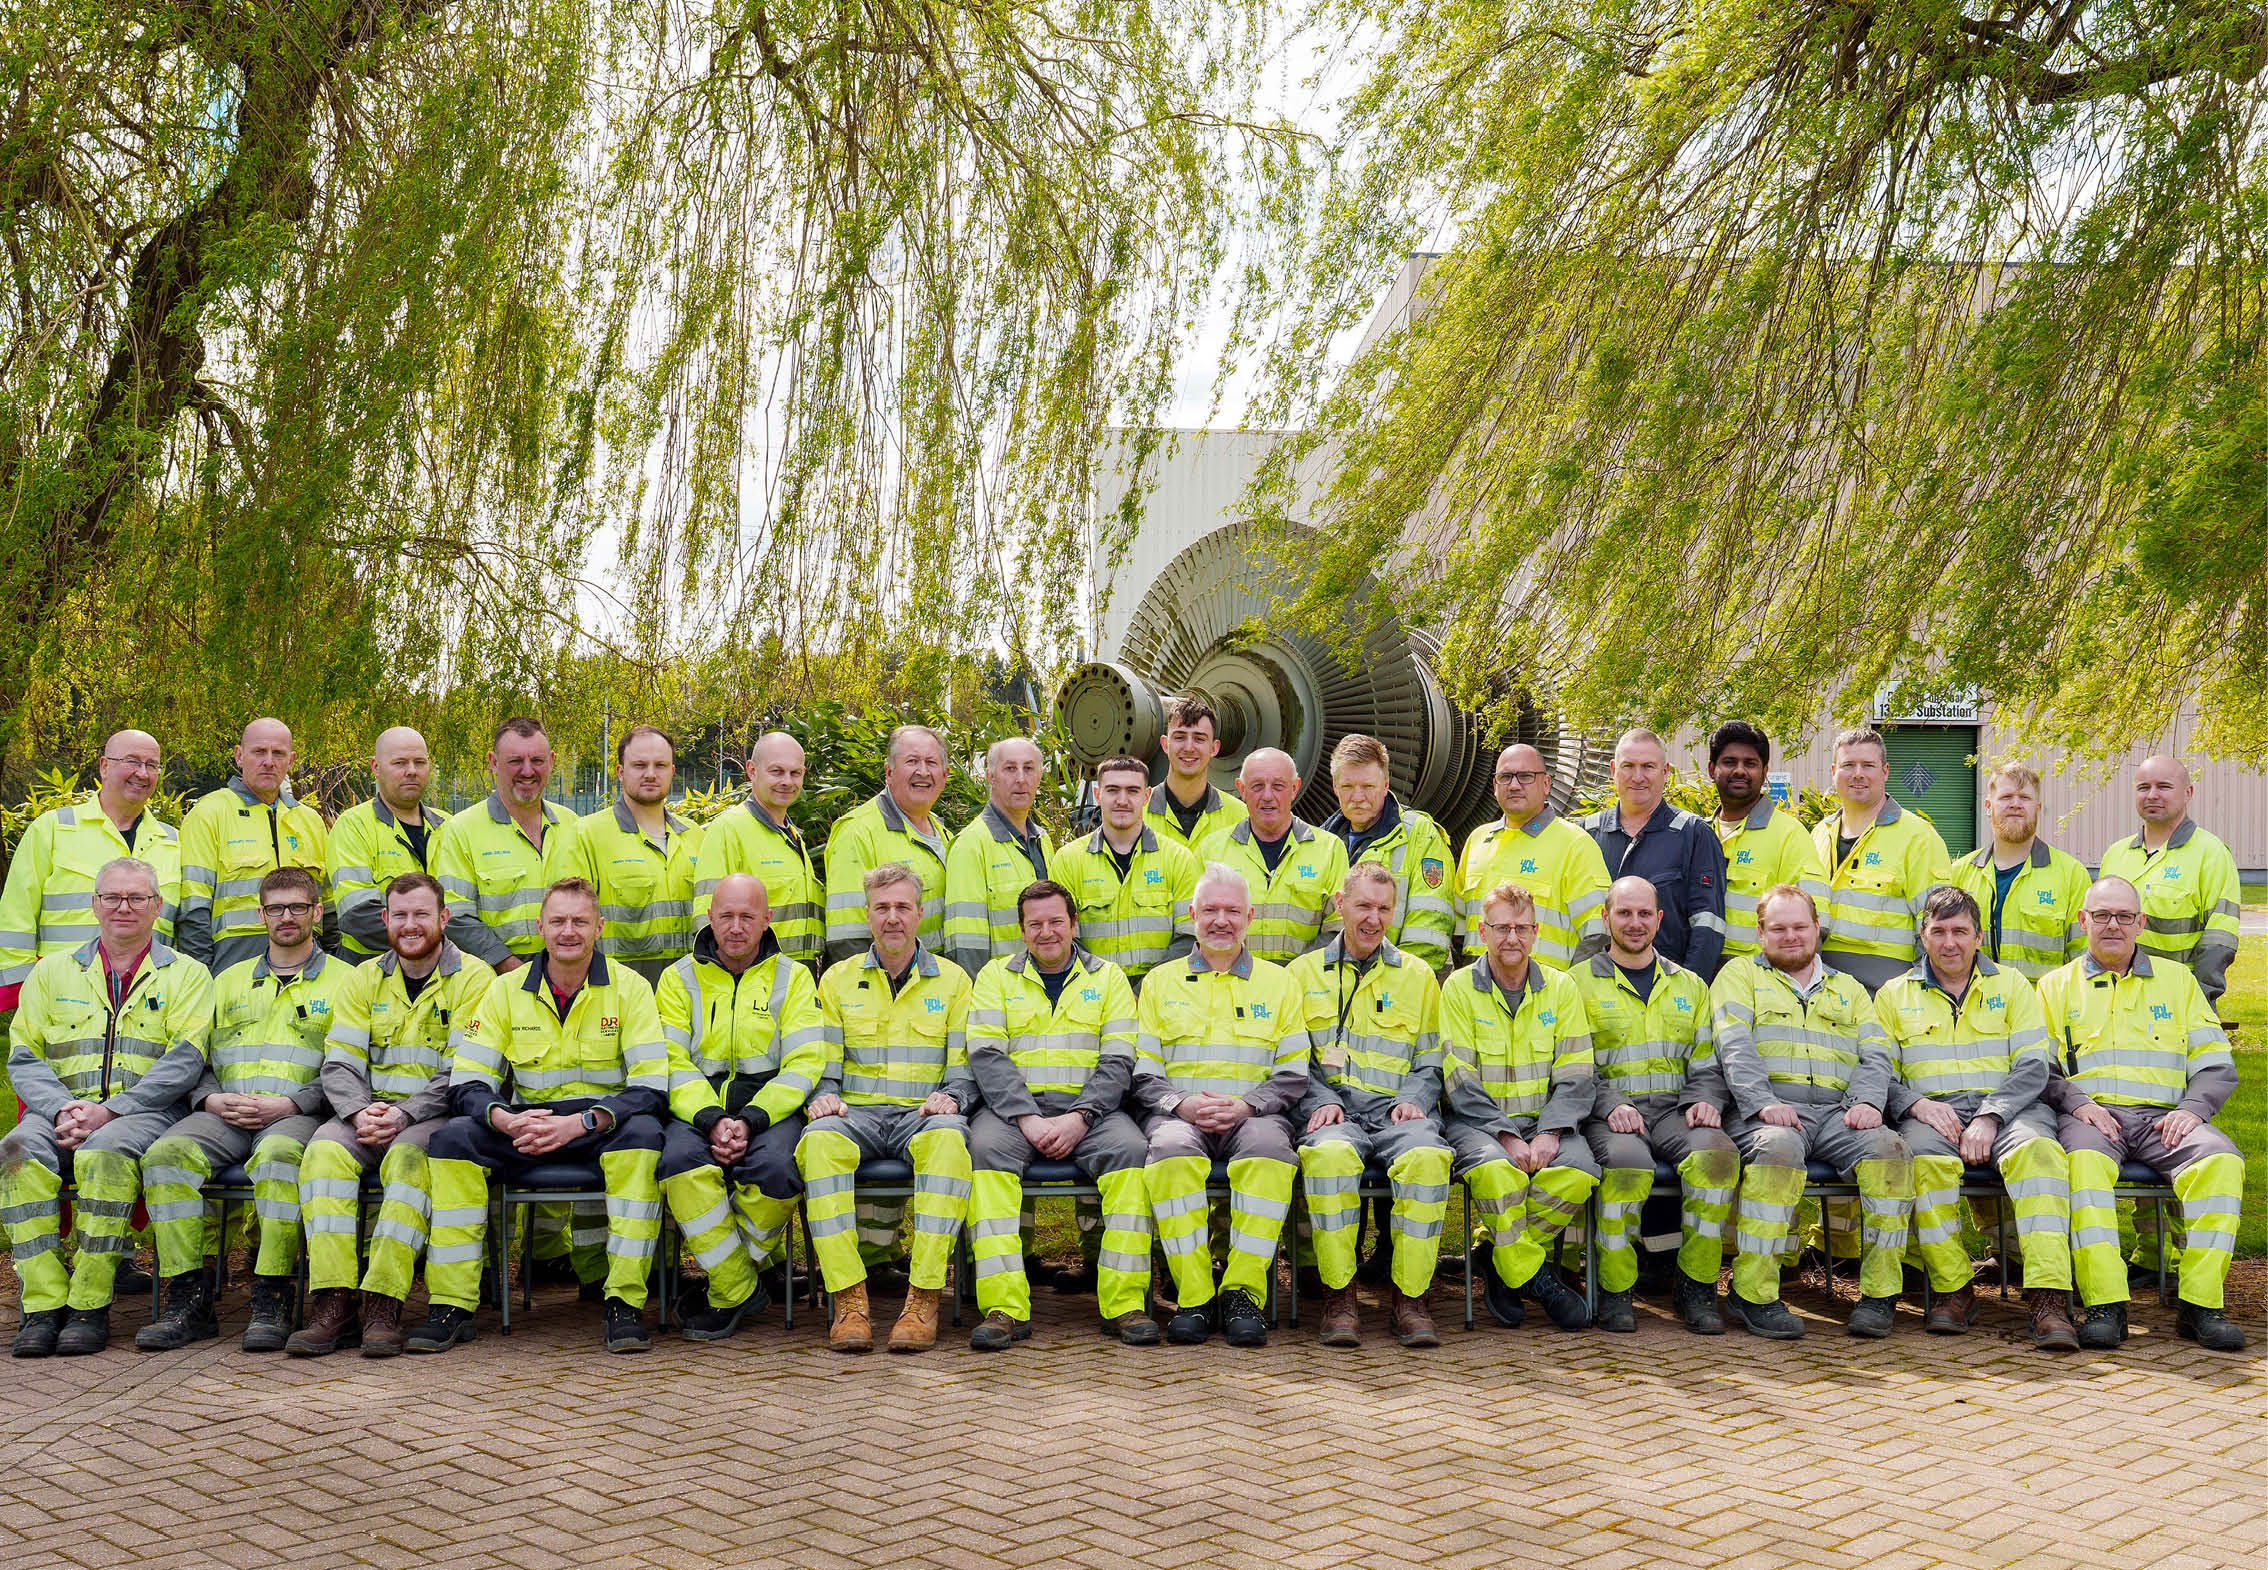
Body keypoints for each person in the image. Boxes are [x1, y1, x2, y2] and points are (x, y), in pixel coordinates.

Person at [409, 877, 671, 1355]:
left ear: (599, 928)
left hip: (600, 1126)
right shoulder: (505, 991)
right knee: (451, 1141)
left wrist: (582, 1123)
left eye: (579, 921)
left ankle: (625, 1303)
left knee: (645, 1137)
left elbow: (651, 1088)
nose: (567, 931)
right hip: (525, 1125)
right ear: (540, 927)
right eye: (557, 921)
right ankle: (452, 1305)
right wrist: (505, 1120)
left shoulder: (630, 988)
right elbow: (466, 1082)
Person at [137, 866, 352, 1353]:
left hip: (299, 1115)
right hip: (222, 1112)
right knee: (165, 1157)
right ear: (261, 915)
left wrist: (294, 1102)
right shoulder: (226, 981)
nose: (287, 917)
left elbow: (351, 1066)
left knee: (278, 1158)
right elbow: (196, 1054)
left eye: (298, 907)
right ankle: (188, 1298)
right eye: (276, 908)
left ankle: (272, 1293)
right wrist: (208, 1097)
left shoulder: (348, 982)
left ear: (317, 912)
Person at [3, 859, 210, 1358]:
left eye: (137, 898)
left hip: (145, 1115)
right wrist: (60, 1109)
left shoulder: (186, 974)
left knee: (104, 1154)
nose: (124, 907)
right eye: (113, 897)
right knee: (14, 1153)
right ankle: (44, 1304)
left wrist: (110, 1112)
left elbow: (185, 1061)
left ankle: (88, 1305)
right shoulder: (51, 971)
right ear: (94, 904)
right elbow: (24, 1055)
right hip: (56, 1112)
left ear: (157, 907)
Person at [286, 872, 497, 1357]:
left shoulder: (475, 979)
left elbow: (465, 1071)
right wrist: (361, 1113)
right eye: (399, 915)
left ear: (444, 918)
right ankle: (333, 1304)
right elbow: (338, 1061)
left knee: (407, 1163)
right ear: (385, 920)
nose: (410, 925)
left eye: (422, 914)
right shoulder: (363, 978)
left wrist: (403, 1115)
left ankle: (383, 1301)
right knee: (321, 1156)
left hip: (432, 1116)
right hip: (362, 1112)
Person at [2039, 876, 2246, 1353]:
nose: (2114, 925)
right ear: (2082, 920)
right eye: (2103, 915)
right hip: (2090, 1119)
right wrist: (2078, 1103)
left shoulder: (2179, 982)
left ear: (2141, 923)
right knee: (2082, 1167)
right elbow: (2039, 1067)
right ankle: (2106, 1303)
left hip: (2167, 1119)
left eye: (2125, 916)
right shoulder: (2054, 987)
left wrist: (2194, 1110)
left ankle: (2200, 1303)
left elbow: (2215, 1062)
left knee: (2221, 1162)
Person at [1875, 885, 2078, 1350]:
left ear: (1980, 936)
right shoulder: (1892, 996)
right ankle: (1954, 1289)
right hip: (1931, 1114)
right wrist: (1916, 1105)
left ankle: (2048, 1298)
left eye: (1961, 931)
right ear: (1922, 936)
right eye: (1939, 931)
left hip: (2010, 1109)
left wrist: (1990, 1115)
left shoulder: (2013, 987)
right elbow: (1877, 1071)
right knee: (1922, 1165)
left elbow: (2033, 1066)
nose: (1950, 942)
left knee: (2042, 1157)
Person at [1710, 885, 1914, 1340]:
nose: (1790, 936)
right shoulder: (1740, 976)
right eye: (1778, 928)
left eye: (1800, 927)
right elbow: (1733, 1044)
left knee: (1890, 1150)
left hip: (1841, 1113)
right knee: (1779, 1149)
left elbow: (1876, 1053)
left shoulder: (1850, 990)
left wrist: (1866, 1101)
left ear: (1817, 929)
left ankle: (1880, 1295)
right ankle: (1753, 1294)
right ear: (1760, 932)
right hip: (1767, 1111)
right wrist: (1763, 1101)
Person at [963, 880, 1159, 1350]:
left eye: (1056, 921)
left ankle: (1125, 1304)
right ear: (1022, 930)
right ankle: (1004, 1306)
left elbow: (1118, 1060)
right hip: (1013, 1115)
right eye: (1035, 924)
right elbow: (986, 1055)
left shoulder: (1108, 978)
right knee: (982, 1151)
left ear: (1074, 924)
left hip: (1091, 1112)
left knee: (1132, 1151)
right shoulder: (995, 976)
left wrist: (1081, 1116)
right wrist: (1027, 1118)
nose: (1046, 932)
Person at [797, 863, 976, 1353]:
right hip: (857, 1115)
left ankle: (923, 1297)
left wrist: (954, 1097)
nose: (892, 918)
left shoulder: (954, 982)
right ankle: (849, 1299)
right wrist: (822, 1095)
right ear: (867, 915)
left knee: (948, 1141)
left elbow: (963, 1068)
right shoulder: (836, 980)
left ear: (920, 913)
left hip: (924, 1113)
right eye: (882, 908)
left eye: (902, 907)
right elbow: (823, 1062)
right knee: (817, 1144)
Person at [1131, 863, 1308, 1348]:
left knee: (1272, 1155)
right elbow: (1143, 1073)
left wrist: (1247, 1107)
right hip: (1178, 1119)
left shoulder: (1280, 984)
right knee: (1168, 1155)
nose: (1221, 921)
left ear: (1251, 917)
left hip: (1253, 1120)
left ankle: (1242, 1294)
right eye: (1210, 910)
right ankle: (1194, 1296)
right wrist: (1181, 1105)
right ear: (1192, 915)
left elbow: (1293, 1074)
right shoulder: (1159, 983)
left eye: (1232, 910)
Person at [653, 873, 826, 1342]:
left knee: (780, 1169)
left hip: (770, 1110)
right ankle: (737, 1284)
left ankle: (724, 1283)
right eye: (725, 915)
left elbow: (805, 1061)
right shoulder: (676, 978)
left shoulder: (794, 977)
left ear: (767, 919)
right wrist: (710, 1120)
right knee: (677, 1164)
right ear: (709, 916)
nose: (735, 927)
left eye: (747, 916)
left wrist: (750, 1121)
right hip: (695, 1108)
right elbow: (670, 1060)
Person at [1286, 862, 1450, 1349]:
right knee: (1330, 1158)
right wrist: (1321, 1099)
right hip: (1332, 1112)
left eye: (1383, 908)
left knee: (1427, 1158)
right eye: (1363, 905)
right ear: (1340, 905)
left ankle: (1411, 1298)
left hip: (1398, 1115)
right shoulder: (1301, 974)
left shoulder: (1419, 977)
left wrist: (1414, 1100)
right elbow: (1293, 1059)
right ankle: (1340, 1295)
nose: (1373, 918)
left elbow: (1432, 1058)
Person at [1572, 876, 1740, 1336]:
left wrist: (1706, 1099)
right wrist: (1608, 1104)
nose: (1635, 923)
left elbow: (1707, 1060)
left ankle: (1697, 1286)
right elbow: (1571, 1063)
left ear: (1660, 919)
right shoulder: (1575, 985)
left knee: (1717, 1157)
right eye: (1624, 913)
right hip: (1608, 1114)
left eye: (1645, 914)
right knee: (1627, 1165)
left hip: (1674, 1112)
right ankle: (1615, 1289)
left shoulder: (1689, 985)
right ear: (1605, 918)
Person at [1438, 881, 1598, 1333]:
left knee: (1580, 1173)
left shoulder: (1562, 988)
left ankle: (1498, 1256)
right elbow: (1458, 1077)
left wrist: (1549, 1132)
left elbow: (1577, 1071)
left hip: (1546, 1121)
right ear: (1481, 931)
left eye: (1521, 928)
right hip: (1479, 1126)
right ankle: (1533, 1275)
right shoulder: (1458, 988)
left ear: (1536, 932)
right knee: (1498, 1172)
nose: (1512, 938)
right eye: (1501, 928)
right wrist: (1506, 1135)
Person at [0, 729, 180, 1010]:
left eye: (151, 765)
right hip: (60, 996)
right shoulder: (53, 829)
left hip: (149, 1002)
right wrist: (23, 995)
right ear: (104, 766)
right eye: (132, 761)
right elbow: (15, 917)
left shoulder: (174, 843)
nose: (142, 773)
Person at [175, 717, 332, 970]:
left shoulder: (311, 821)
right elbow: (193, 908)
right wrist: (200, 975)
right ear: (239, 756)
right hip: (232, 965)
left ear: (291, 760)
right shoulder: (209, 813)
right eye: (259, 751)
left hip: (308, 967)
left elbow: (329, 905)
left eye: (278, 753)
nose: (269, 761)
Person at [430, 717, 581, 973]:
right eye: (515, 761)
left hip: (569, 978)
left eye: (537, 761)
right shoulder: (462, 830)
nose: (527, 771)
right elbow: (456, 917)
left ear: (552, 761)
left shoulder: (574, 826)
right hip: (495, 981)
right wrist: (515, 971)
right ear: (493, 763)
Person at [1578, 729, 1729, 980]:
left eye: (1648, 766)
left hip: (1667, 988)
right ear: (1613, 769)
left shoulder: (1693, 835)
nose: (1638, 777)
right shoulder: (1586, 835)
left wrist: (1687, 989)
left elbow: (1708, 926)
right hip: (1596, 990)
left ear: (1665, 771)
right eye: (1628, 766)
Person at [1811, 727, 1951, 994]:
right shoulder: (1819, 834)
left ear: (1885, 771)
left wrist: (1921, 993)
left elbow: (1937, 923)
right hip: (1821, 989)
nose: (1858, 774)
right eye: (1848, 765)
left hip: (1886, 994)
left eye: (1868, 765)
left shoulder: (1918, 836)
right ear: (1833, 771)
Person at [2096, 756, 2242, 1010]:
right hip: (2113, 1003)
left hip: (2178, 1003)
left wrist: (2197, 1001)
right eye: (2144, 787)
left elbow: (2220, 939)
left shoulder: (2211, 853)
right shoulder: (2114, 855)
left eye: (2163, 786)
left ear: (2188, 793)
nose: (2152, 795)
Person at [1453, 743, 1610, 970]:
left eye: (1525, 776)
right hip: (1478, 995)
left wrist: (1566, 990)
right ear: (1495, 786)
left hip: (1545, 995)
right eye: (1506, 777)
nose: (1514, 785)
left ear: (1546, 783)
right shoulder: (1476, 841)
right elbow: (1458, 930)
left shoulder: (1575, 844)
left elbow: (1598, 934)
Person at [567, 725, 704, 981]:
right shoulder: (587, 836)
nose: (651, 774)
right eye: (639, 765)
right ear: (620, 772)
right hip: (619, 994)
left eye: (660, 765)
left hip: (690, 992)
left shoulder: (696, 837)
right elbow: (571, 926)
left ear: (672, 771)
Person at [1051, 755, 1198, 992]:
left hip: (1162, 995)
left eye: (1132, 791)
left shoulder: (1178, 859)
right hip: (1093, 995)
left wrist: (1146, 991)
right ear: (1098, 795)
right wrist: (1109, 991)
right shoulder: (1068, 861)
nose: (1122, 800)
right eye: (1112, 790)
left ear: (1146, 796)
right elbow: (1064, 939)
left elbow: (1188, 938)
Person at [1317, 733, 1455, 971]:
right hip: (1333, 986)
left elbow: (1429, 929)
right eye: (1348, 786)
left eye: (1368, 786)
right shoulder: (1320, 843)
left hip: (1397, 986)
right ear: (1335, 787)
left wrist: (1400, 984)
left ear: (1386, 784)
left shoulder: (1421, 835)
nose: (1358, 797)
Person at [1197, 749, 1347, 964]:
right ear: (1242, 789)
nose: (1267, 796)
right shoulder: (1211, 850)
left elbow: (1337, 930)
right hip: (1231, 985)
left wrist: (1292, 976)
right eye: (1257, 786)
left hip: (1302, 987)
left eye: (1278, 786)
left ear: (1294, 788)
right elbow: (1196, 928)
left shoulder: (1330, 850)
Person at [1943, 764, 2088, 981]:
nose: (2015, 804)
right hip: (1974, 1009)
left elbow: (2083, 960)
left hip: (2043, 1010)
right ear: (1988, 806)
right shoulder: (1958, 874)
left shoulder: (2072, 875)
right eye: (2006, 796)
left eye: (2025, 798)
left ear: (2038, 808)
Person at [823, 725, 954, 965]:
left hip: (933, 985)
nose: (923, 771)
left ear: (944, 776)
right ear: (889, 772)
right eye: (912, 761)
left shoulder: (945, 835)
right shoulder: (857, 832)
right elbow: (847, 939)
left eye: (931, 762)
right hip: (884, 989)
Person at [695, 731, 822, 966]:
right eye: (777, 771)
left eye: (796, 773)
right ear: (751, 770)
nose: (787, 781)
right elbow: (708, 922)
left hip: (795, 978)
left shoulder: (792, 835)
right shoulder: (728, 830)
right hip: (752, 980)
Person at [1705, 720, 1827, 963]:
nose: (1740, 770)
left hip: (1762, 979)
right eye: (1730, 762)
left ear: (1764, 772)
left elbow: (1815, 921)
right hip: (1698, 973)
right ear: (1711, 769)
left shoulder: (1789, 834)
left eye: (1750, 763)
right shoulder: (1698, 833)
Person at [327, 727, 451, 962]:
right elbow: (356, 915)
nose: (412, 771)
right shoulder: (354, 826)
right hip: (371, 973)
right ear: (375, 767)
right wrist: (430, 942)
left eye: (420, 762)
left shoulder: (450, 827)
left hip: (442, 971)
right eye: (400, 763)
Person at [943, 738, 1054, 977]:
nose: (1021, 779)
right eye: (1010, 768)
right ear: (990, 776)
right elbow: (965, 946)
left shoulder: (1043, 841)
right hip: (998, 997)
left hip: (1041, 990)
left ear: (1039, 777)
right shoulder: (971, 845)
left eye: (1028, 768)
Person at [1143, 697, 1248, 851]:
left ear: (1214, 748)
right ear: (1165, 745)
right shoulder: (1138, 811)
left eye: (1199, 739)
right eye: (1180, 737)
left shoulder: (1239, 817)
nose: (1189, 748)